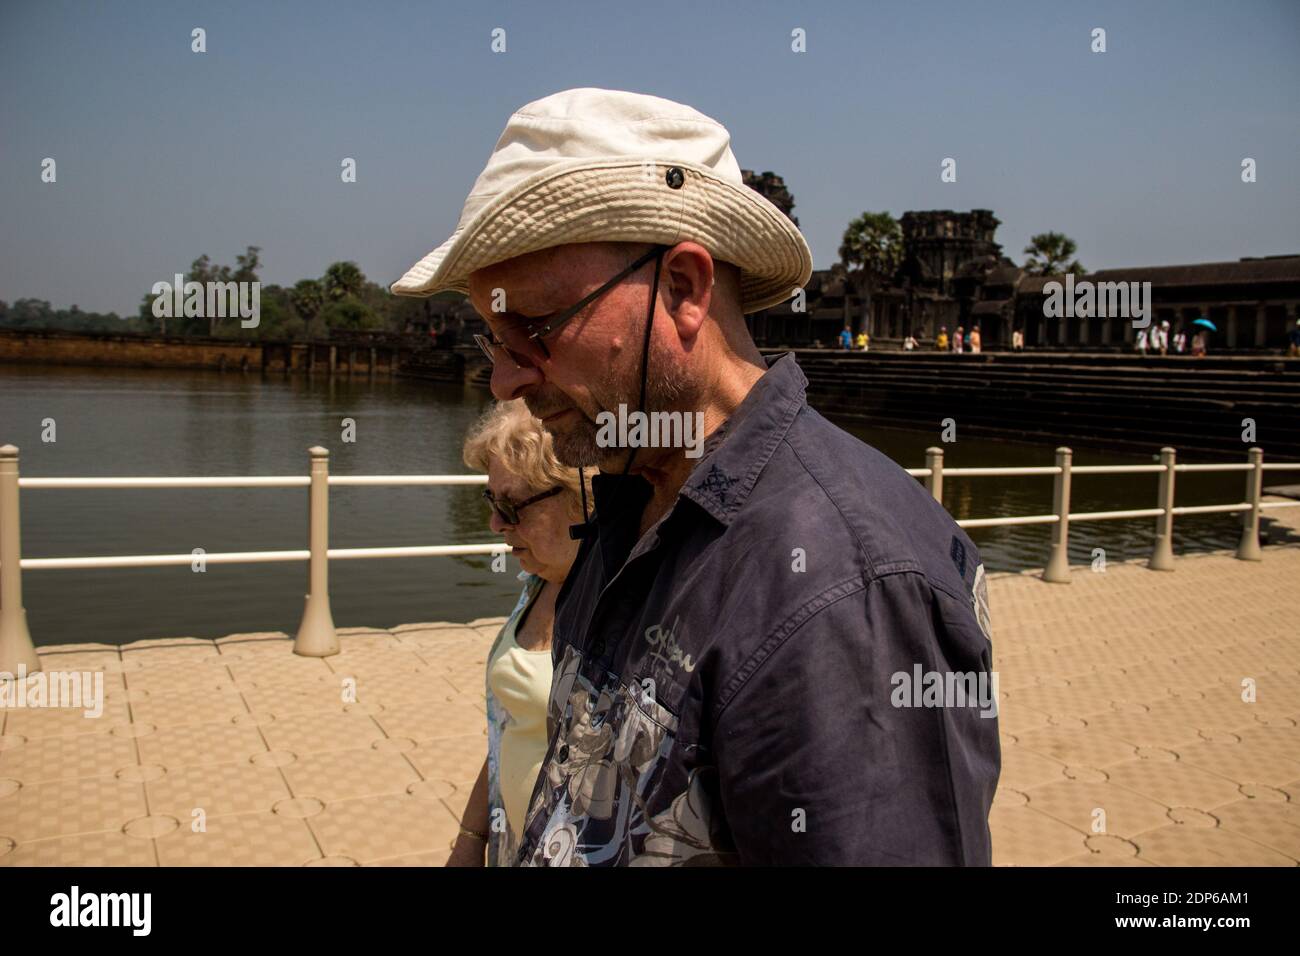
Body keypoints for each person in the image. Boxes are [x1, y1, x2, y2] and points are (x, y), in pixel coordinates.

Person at [392, 87, 998, 866]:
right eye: (493, 341)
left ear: (683, 289)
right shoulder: (628, 500)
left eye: (535, 330)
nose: (505, 380)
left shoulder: (847, 586)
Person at [450, 399, 592, 867]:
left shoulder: (621, 610)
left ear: (578, 494)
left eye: (511, 506)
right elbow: (510, 728)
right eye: (492, 502)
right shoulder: (536, 583)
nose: (495, 524)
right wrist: (472, 837)